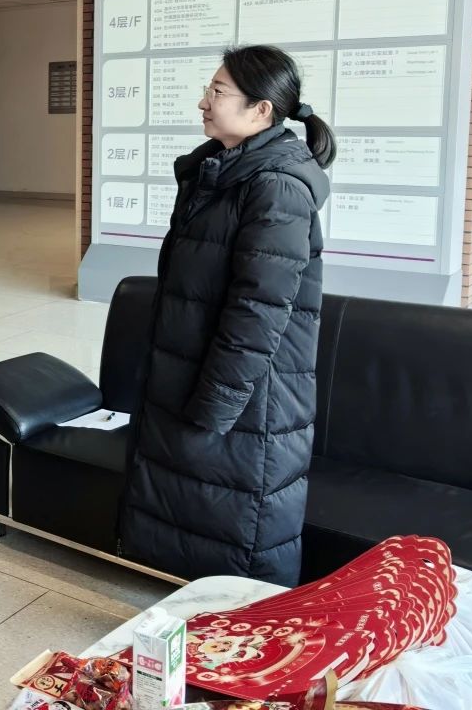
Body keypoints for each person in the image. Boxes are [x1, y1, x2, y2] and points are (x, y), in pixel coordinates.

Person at [120, 44, 336, 587]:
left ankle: (241, 627)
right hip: (198, 374)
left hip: (246, 395)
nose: (204, 102)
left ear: (261, 110)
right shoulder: (222, 171)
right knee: (191, 509)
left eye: (217, 92)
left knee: (240, 522)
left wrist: (217, 402)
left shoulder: (276, 186)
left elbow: (258, 310)